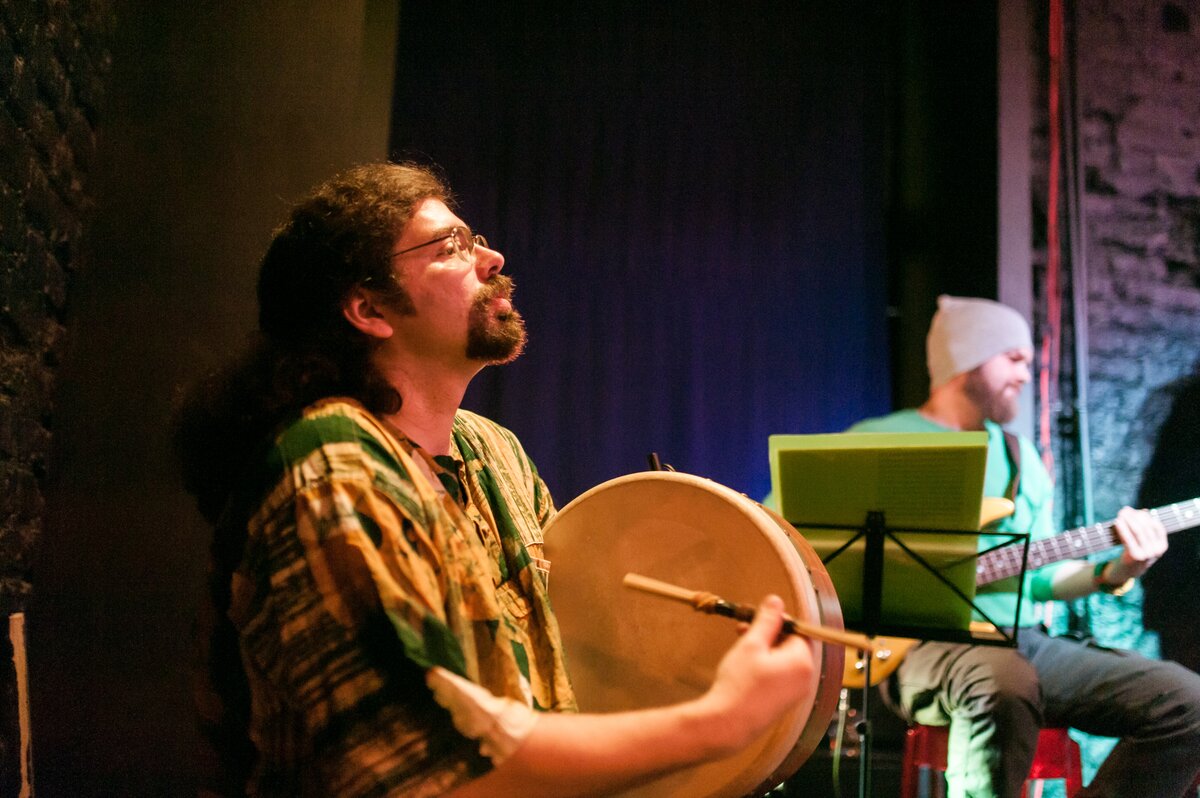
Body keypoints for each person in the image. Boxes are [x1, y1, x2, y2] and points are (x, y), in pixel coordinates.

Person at [173, 162, 816, 797]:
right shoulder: (333, 465)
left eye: (473, 237)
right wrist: (719, 722)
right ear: (369, 308)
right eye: (449, 246)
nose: (492, 257)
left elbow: (564, 675)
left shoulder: (492, 451)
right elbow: (435, 774)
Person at [848, 295, 1200, 798]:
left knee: (1187, 702)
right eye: (1013, 358)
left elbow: (1040, 579)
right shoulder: (878, 439)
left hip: (1023, 641)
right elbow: (795, 540)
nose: (1026, 375)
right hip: (920, 645)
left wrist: (1118, 570)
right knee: (1003, 682)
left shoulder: (1020, 457)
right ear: (966, 358)